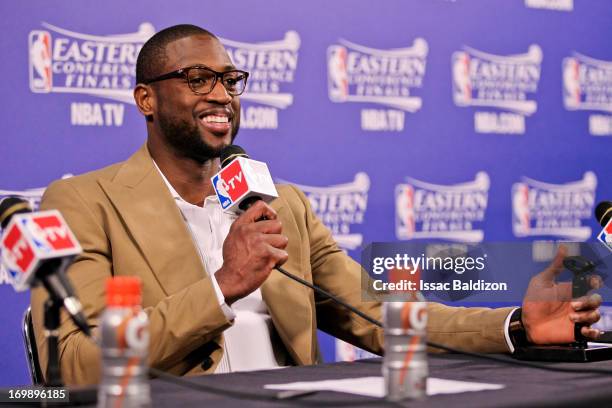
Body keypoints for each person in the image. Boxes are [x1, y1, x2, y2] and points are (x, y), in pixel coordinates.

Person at [30, 24, 602, 386]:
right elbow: (75, 364)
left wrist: (515, 326)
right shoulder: (82, 201)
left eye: (230, 79)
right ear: (145, 99)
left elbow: (379, 318)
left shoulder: (286, 205)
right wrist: (222, 285)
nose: (221, 93)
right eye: (197, 77)